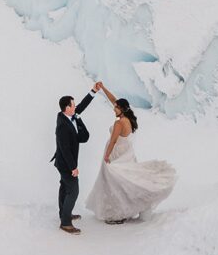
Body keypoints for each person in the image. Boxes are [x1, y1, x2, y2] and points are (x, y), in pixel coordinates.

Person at [86, 81, 176, 224]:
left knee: (113, 184)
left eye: (115, 108)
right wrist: (102, 88)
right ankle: (128, 209)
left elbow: (113, 141)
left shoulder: (119, 123)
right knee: (125, 182)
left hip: (116, 155)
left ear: (121, 109)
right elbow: (113, 100)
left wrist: (106, 156)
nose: (113, 109)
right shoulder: (128, 118)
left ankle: (117, 214)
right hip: (127, 154)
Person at [52, 83, 101, 235]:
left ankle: (63, 214)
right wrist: (73, 167)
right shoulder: (62, 126)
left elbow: (82, 106)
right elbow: (65, 149)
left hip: (64, 162)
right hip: (65, 163)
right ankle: (66, 223)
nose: (75, 107)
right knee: (73, 190)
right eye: (73, 105)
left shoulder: (69, 115)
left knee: (65, 187)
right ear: (67, 108)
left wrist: (93, 91)